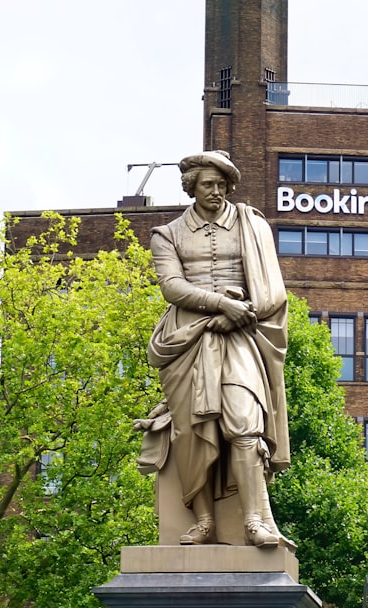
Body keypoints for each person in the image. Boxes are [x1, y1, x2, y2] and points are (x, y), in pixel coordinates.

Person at [136, 150, 290, 548]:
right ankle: (204, 521)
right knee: (191, 432)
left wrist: (242, 314)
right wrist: (222, 305)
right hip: (187, 341)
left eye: (223, 185)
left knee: (244, 422)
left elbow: (272, 288)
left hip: (241, 335)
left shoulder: (250, 225)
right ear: (191, 187)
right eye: (208, 184)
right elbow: (171, 287)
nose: (217, 192)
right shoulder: (167, 234)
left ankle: (253, 521)